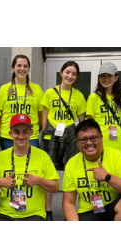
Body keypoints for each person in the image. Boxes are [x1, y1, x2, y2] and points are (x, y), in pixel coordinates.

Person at [62, 119, 121, 221]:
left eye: (93, 138)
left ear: (101, 137)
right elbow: (68, 202)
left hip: (114, 208)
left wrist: (107, 177)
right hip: (89, 211)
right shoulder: (72, 163)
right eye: (83, 139)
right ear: (77, 142)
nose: (88, 143)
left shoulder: (118, 157)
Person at [0, 114, 59, 221]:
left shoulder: (43, 156)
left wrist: (38, 180)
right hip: (5, 214)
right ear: (10, 134)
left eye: (25, 131)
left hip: (34, 215)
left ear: (31, 133)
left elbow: (55, 187)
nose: (21, 136)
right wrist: (1, 182)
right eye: (16, 132)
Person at [40, 60, 86, 221]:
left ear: (77, 77)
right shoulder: (50, 93)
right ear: (61, 73)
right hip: (52, 135)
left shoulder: (79, 96)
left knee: (71, 170)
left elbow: (81, 121)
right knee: (49, 171)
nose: (70, 76)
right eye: (67, 72)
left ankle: (70, 209)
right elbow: (44, 118)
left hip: (70, 137)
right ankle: (47, 210)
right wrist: (47, 134)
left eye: (73, 73)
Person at [0, 54, 44, 151]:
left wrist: (32, 131)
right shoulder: (3, 89)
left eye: (25, 66)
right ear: (13, 68)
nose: (22, 68)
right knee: (9, 165)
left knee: (31, 165)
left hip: (31, 137)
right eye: (19, 65)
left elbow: (41, 117)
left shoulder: (37, 89)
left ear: (29, 69)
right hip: (8, 137)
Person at [87, 62, 121, 153]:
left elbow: (120, 120)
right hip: (100, 140)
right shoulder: (94, 97)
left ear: (116, 78)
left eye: (109, 76)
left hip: (118, 139)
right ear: (99, 78)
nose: (106, 79)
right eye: (103, 76)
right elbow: (90, 122)